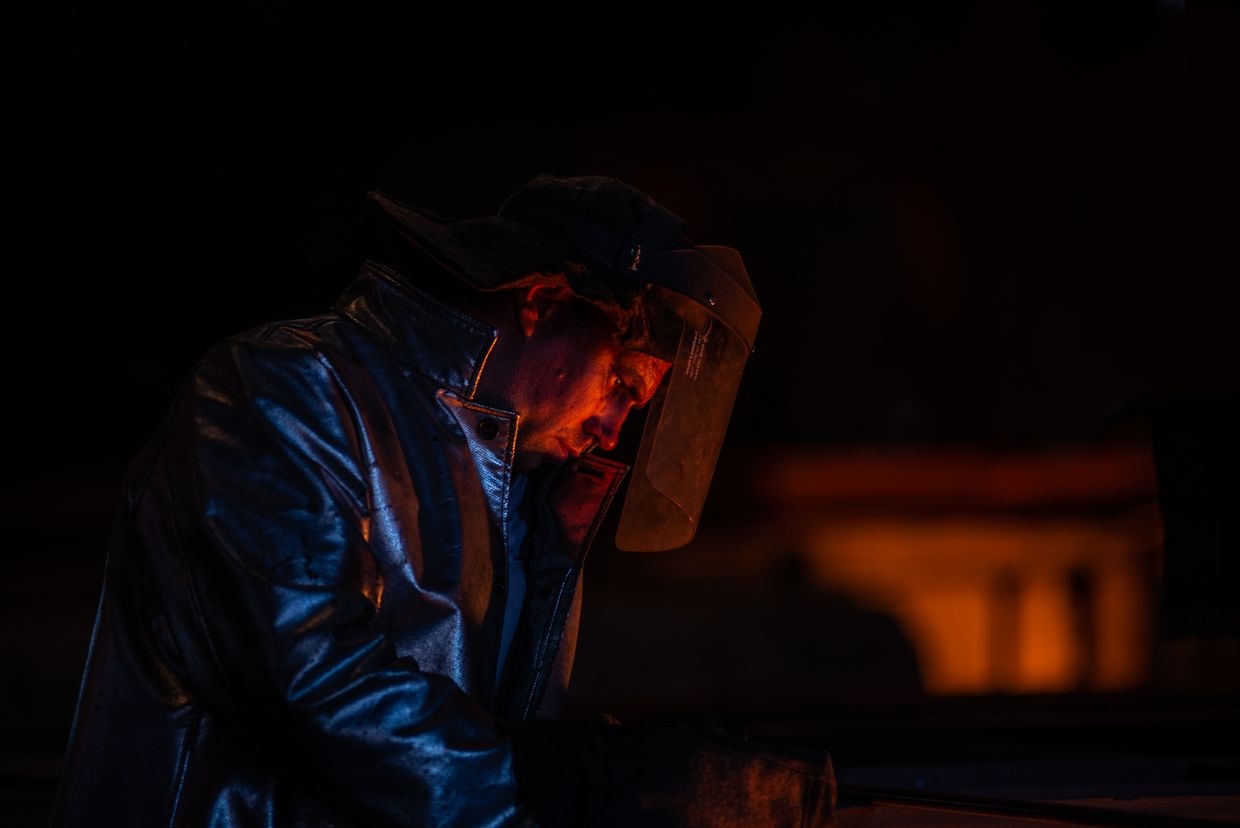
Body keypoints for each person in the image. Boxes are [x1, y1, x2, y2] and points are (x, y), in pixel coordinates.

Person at [51, 174, 836, 826]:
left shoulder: (529, 486)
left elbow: (489, 742)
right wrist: (572, 791)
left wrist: (619, 771)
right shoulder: (280, 392)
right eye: (621, 384)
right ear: (542, 302)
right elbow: (315, 684)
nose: (613, 429)